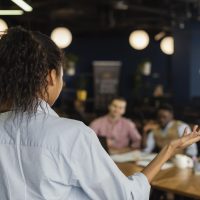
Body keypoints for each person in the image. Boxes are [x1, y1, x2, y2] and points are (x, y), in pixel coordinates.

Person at [0, 27, 200, 200]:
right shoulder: (71, 135)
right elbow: (126, 196)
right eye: (61, 76)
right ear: (51, 77)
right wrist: (168, 150)